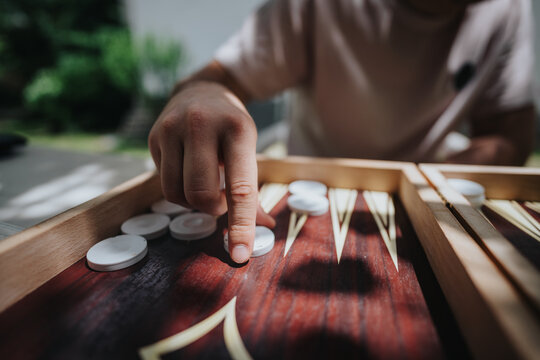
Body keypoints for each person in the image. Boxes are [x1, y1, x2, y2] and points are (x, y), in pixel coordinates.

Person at [148, 0, 536, 263]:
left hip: (422, 196)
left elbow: (508, 133)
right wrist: (201, 93)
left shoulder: (508, 9)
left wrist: (434, 182)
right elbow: (220, 77)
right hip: (309, 186)